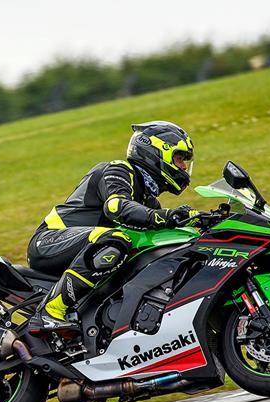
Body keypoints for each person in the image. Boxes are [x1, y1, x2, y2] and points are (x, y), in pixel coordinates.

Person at [26, 120, 199, 337]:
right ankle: (49, 312)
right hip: (49, 242)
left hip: (85, 248)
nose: (183, 167)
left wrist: (197, 223)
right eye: (179, 158)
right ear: (155, 151)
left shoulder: (148, 200)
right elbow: (117, 206)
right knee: (116, 240)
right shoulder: (117, 170)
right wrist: (167, 216)